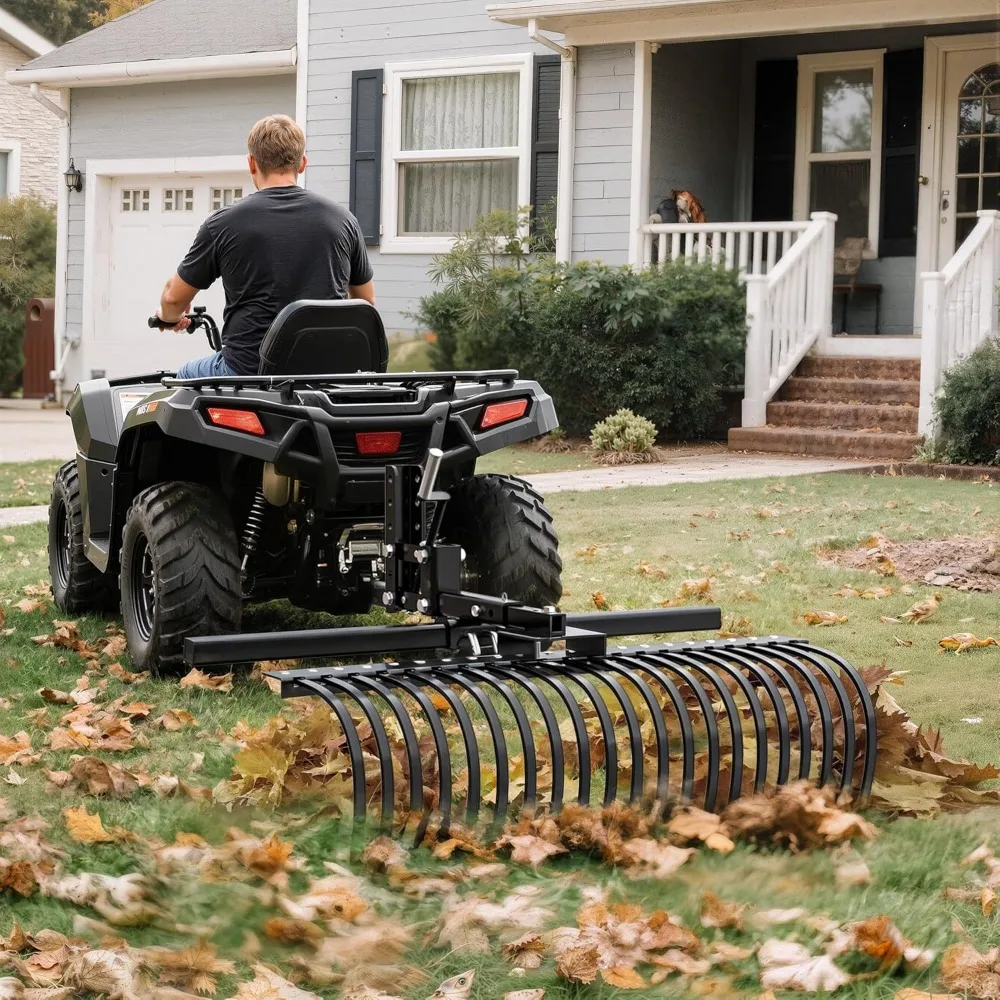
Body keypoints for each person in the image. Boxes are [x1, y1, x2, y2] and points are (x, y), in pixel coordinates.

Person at [156, 114, 375, 378]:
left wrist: (168, 316)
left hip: (249, 372)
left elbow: (173, 297)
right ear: (302, 163)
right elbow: (365, 304)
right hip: (325, 374)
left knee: (184, 375)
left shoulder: (223, 224)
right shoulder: (344, 221)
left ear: (252, 163)